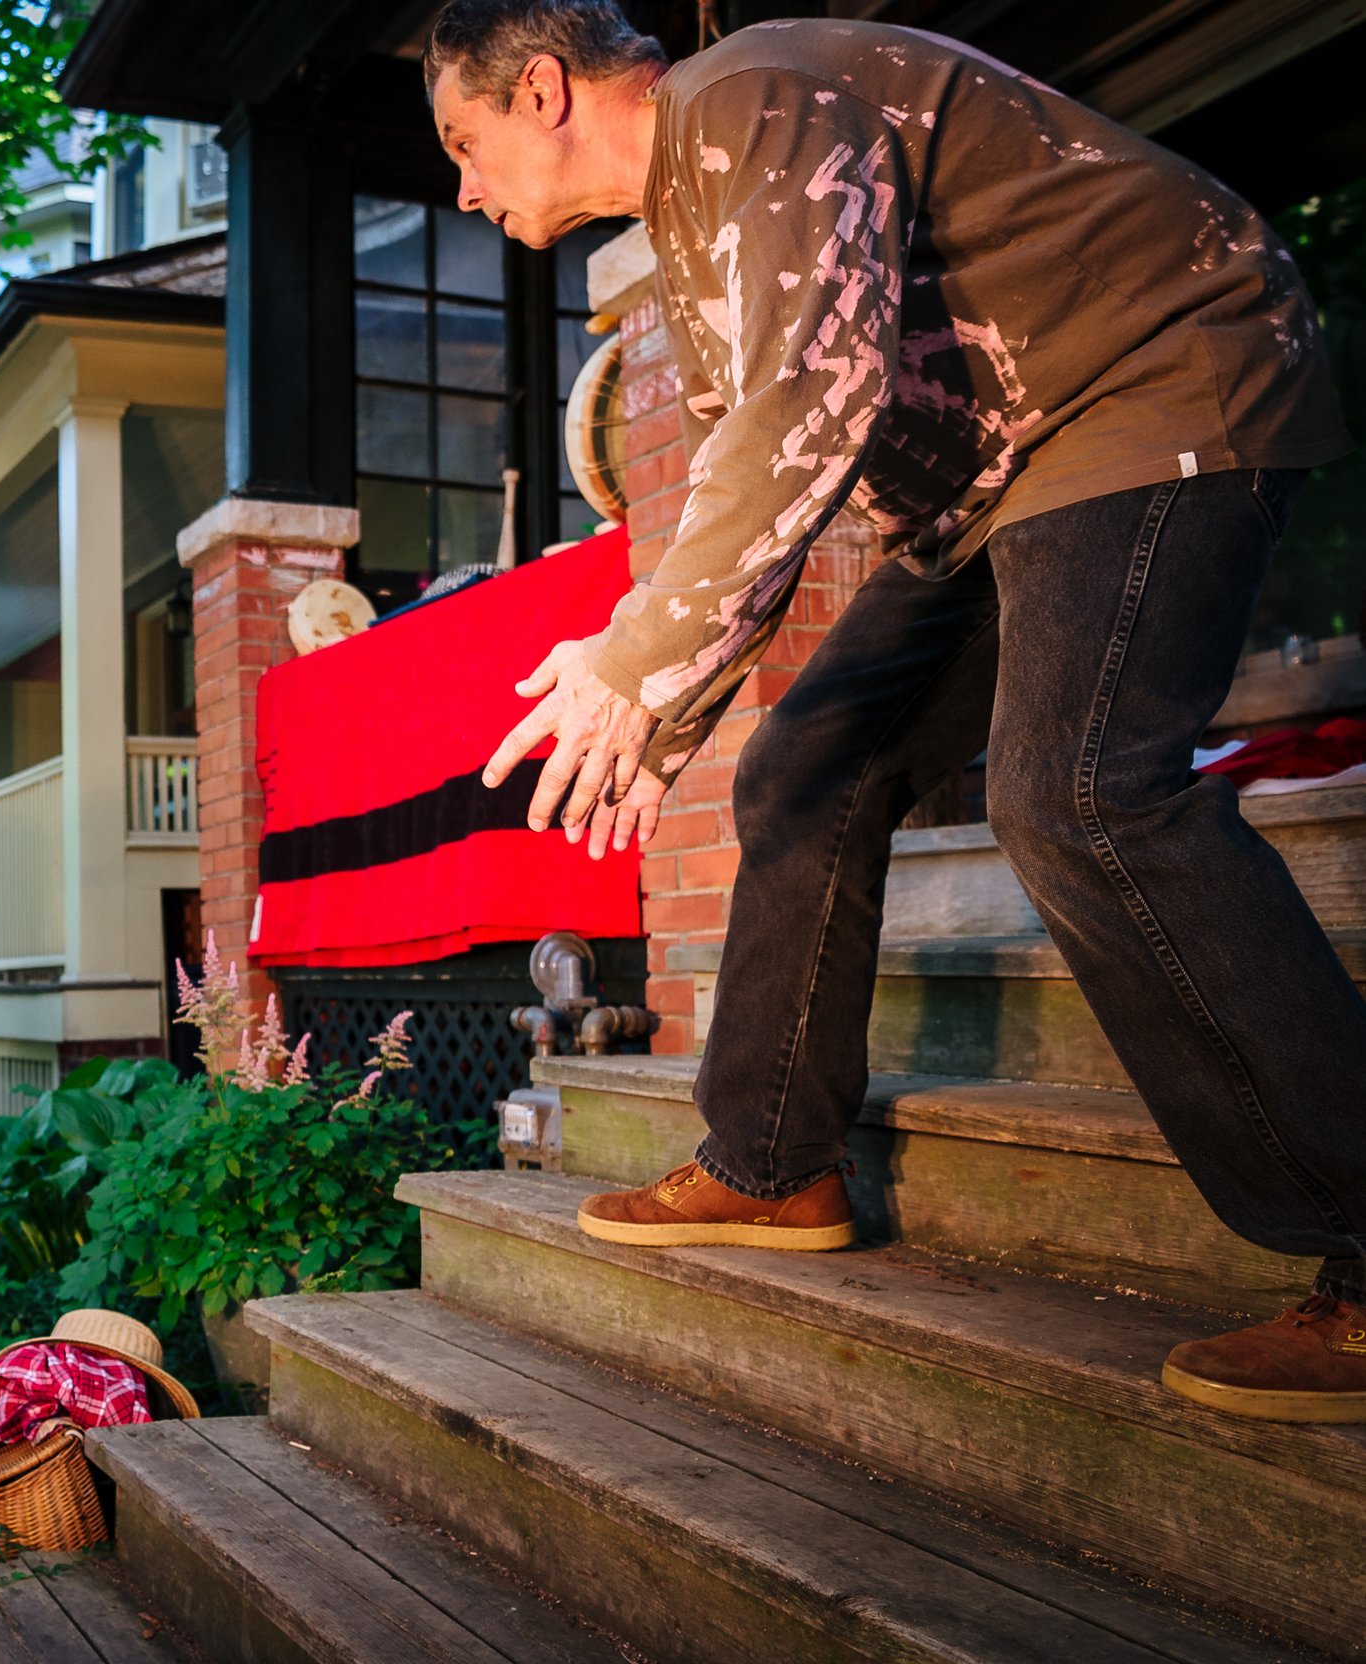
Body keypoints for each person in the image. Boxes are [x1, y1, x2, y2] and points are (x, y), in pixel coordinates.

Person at [435, 0, 1366, 1422]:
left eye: (464, 141)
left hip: (1155, 375)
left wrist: (634, 659)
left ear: (544, 88)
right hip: (1002, 485)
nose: (463, 186)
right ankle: (771, 1161)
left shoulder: (753, 95)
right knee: (808, 763)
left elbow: (809, 398)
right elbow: (787, 471)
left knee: (1080, 795)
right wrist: (663, 711)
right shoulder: (698, 206)